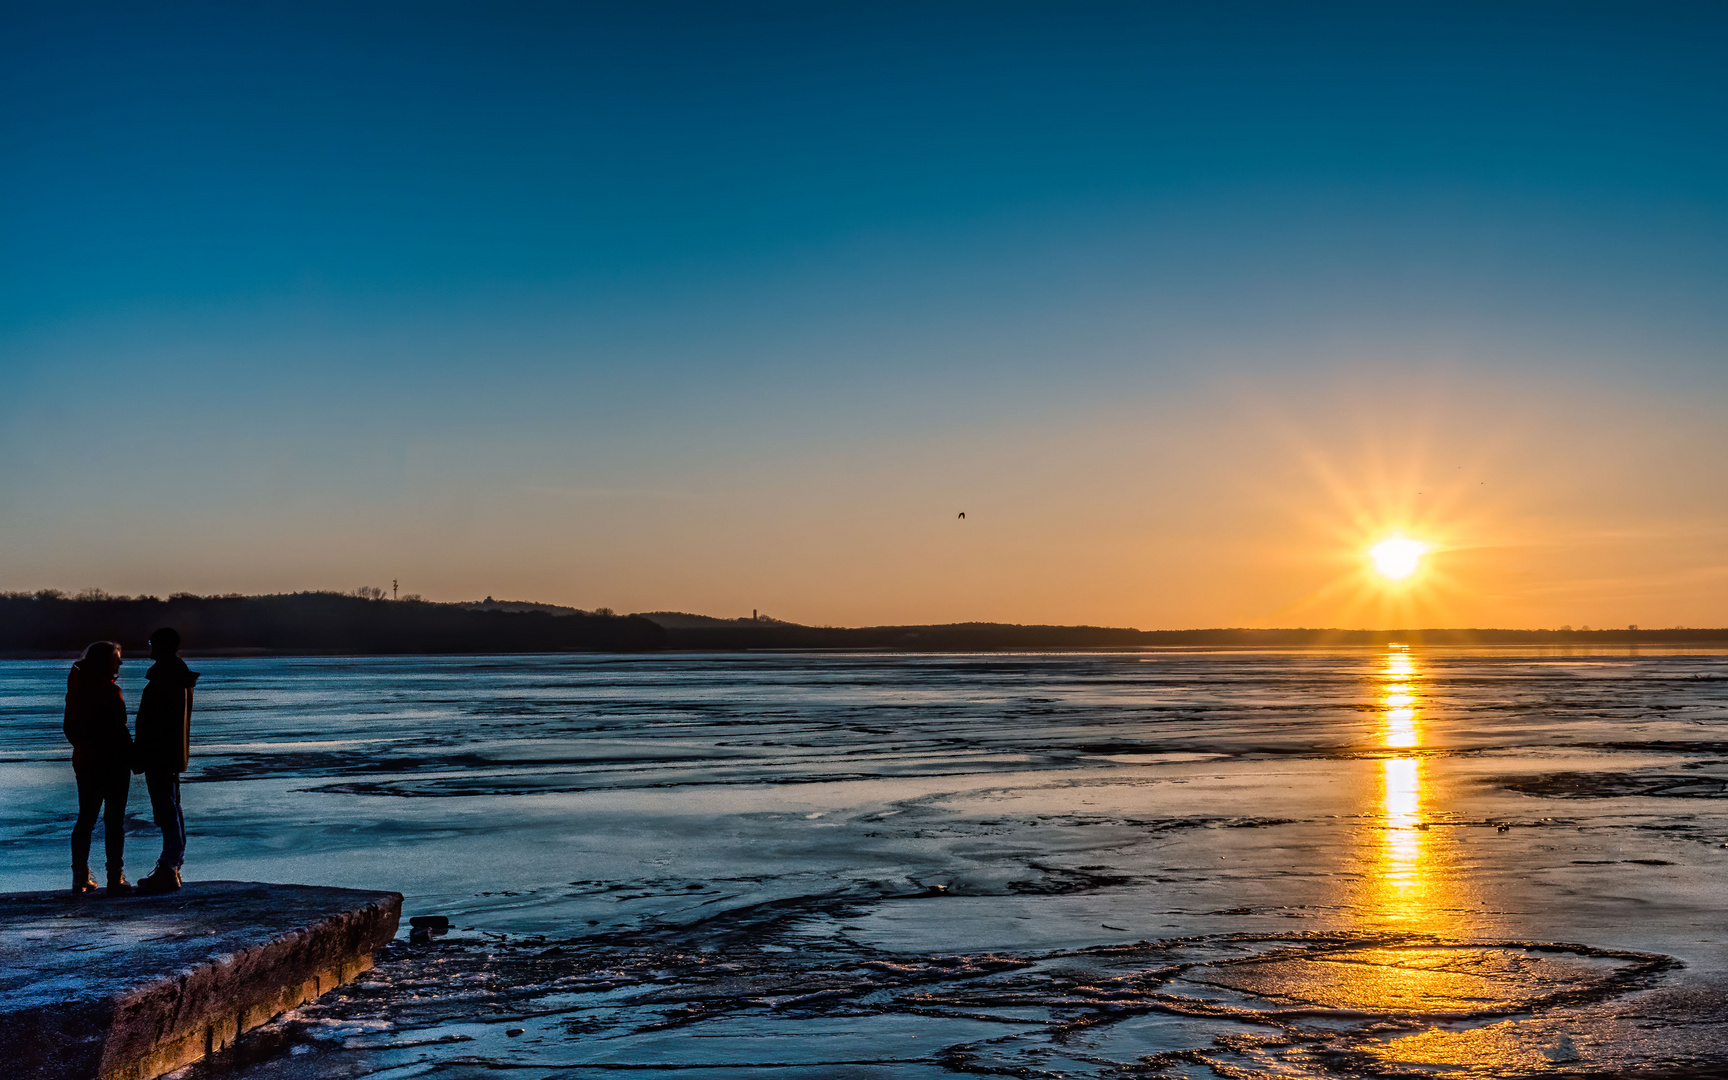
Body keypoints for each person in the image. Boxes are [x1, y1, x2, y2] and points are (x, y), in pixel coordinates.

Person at [132, 627, 199, 895]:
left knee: (166, 808)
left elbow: (153, 723)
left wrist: (141, 753)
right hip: (168, 754)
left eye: (151, 643)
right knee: (170, 807)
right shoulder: (177, 676)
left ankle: (169, 866)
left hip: (160, 754)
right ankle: (171, 865)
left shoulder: (166, 677)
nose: (149, 647)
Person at [65, 641, 133, 896]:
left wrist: (85, 748)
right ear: (106, 662)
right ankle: (115, 878)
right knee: (114, 821)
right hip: (113, 764)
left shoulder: (77, 690)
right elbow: (119, 730)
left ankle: (80, 877)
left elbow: (70, 729)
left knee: (86, 818)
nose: (120, 663)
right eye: (117, 658)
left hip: (86, 763)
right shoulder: (109, 692)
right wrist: (132, 756)